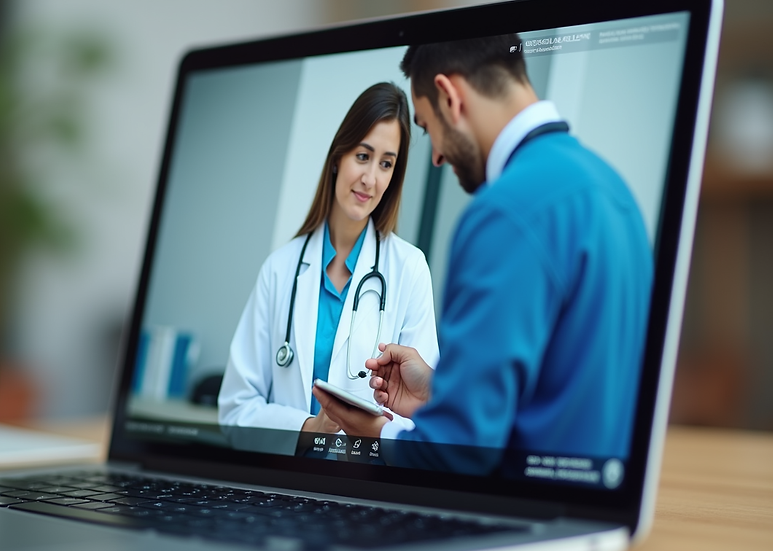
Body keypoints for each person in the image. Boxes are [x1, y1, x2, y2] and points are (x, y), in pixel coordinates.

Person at [314, 36, 653, 475]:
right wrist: (441, 392)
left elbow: (456, 455)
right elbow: (561, 391)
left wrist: (375, 432)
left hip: (514, 528)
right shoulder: (616, 193)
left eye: (426, 127)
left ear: (450, 97)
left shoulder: (505, 213)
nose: (435, 155)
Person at [219, 82, 439, 453]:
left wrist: (368, 428)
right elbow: (235, 410)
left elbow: (424, 417)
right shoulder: (280, 269)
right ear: (338, 157)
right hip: (281, 487)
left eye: (386, 163)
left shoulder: (409, 269)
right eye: (363, 156)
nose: (370, 179)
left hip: (362, 489)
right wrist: (308, 428)